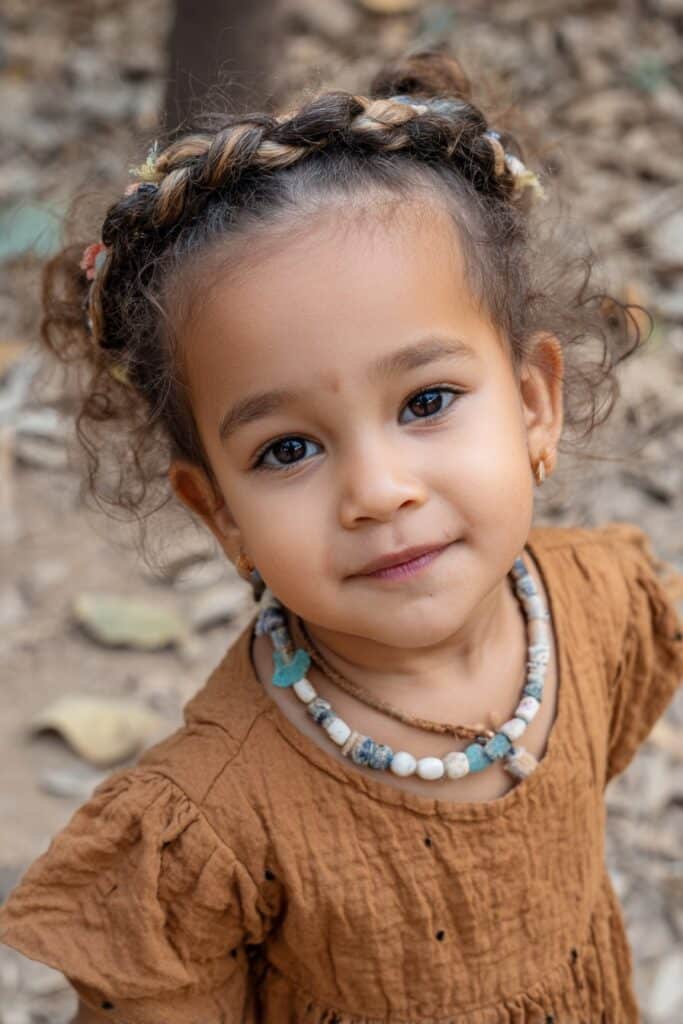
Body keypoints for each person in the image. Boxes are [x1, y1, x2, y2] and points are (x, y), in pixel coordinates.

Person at [1, 48, 681, 1024]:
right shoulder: (215, 819)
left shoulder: (604, 607)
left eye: (426, 400)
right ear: (219, 511)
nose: (376, 491)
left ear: (534, 405)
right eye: (287, 450)